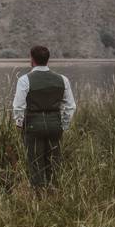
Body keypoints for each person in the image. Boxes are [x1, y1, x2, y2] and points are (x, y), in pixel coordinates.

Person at [12, 45, 77, 189]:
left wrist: (19, 123)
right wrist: (64, 125)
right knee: (54, 162)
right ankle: (54, 193)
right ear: (47, 59)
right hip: (55, 125)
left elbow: (18, 106)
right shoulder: (63, 79)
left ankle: (39, 196)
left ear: (32, 59)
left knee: (35, 162)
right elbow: (70, 106)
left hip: (33, 126)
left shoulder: (24, 80)